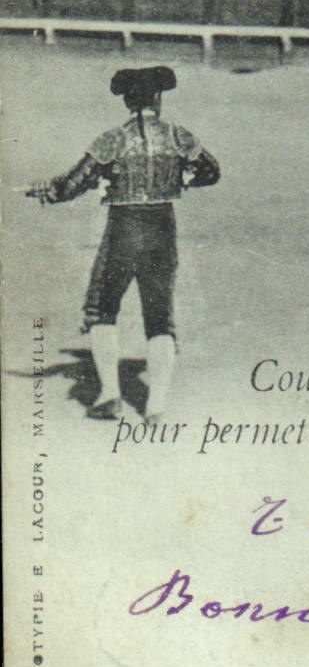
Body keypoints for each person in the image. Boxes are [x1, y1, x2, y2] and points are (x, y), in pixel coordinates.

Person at [26, 67, 221, 421]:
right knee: (159, 316)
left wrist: (45, 191)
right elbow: (212, 171)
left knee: (103, 308)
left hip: (124, 228)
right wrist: (182, 179)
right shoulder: (178, 136)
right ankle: (156, 405)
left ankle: (110, 395)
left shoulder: (114, 139)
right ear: (158, 100)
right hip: (163, 227)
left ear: (128, 101)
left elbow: (71, 184)